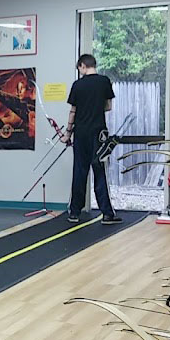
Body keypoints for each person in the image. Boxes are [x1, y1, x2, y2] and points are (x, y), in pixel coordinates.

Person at [61, 54, 122, 225]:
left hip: (80, 133)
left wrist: (67, 132)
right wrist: (95, 108)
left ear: (82, 66)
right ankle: (107, 214)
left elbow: (73, 110)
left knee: (80, 171)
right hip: (99, 134)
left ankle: (74, 213)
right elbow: (108, 106)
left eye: (79, 69)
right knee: (100, 171)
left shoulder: (77, 85)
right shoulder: (104, 81)